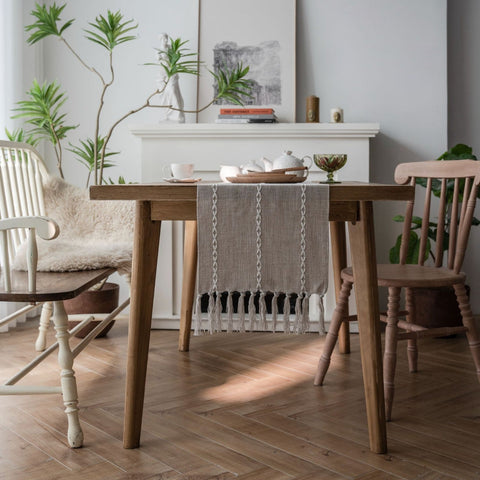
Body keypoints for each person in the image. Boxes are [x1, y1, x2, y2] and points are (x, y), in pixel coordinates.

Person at [156, 33, 185, 123]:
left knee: (172, 90)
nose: (166, 40)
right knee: (164, 94)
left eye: (166, 39)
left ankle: (177, 114)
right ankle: (168, 114)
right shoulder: (158, 50)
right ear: (160, 39)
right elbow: (158, 59)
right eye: (164, 39)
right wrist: (160, 57)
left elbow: (175, 59)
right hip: (162, 74)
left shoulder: (170, 48)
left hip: (172, 73)